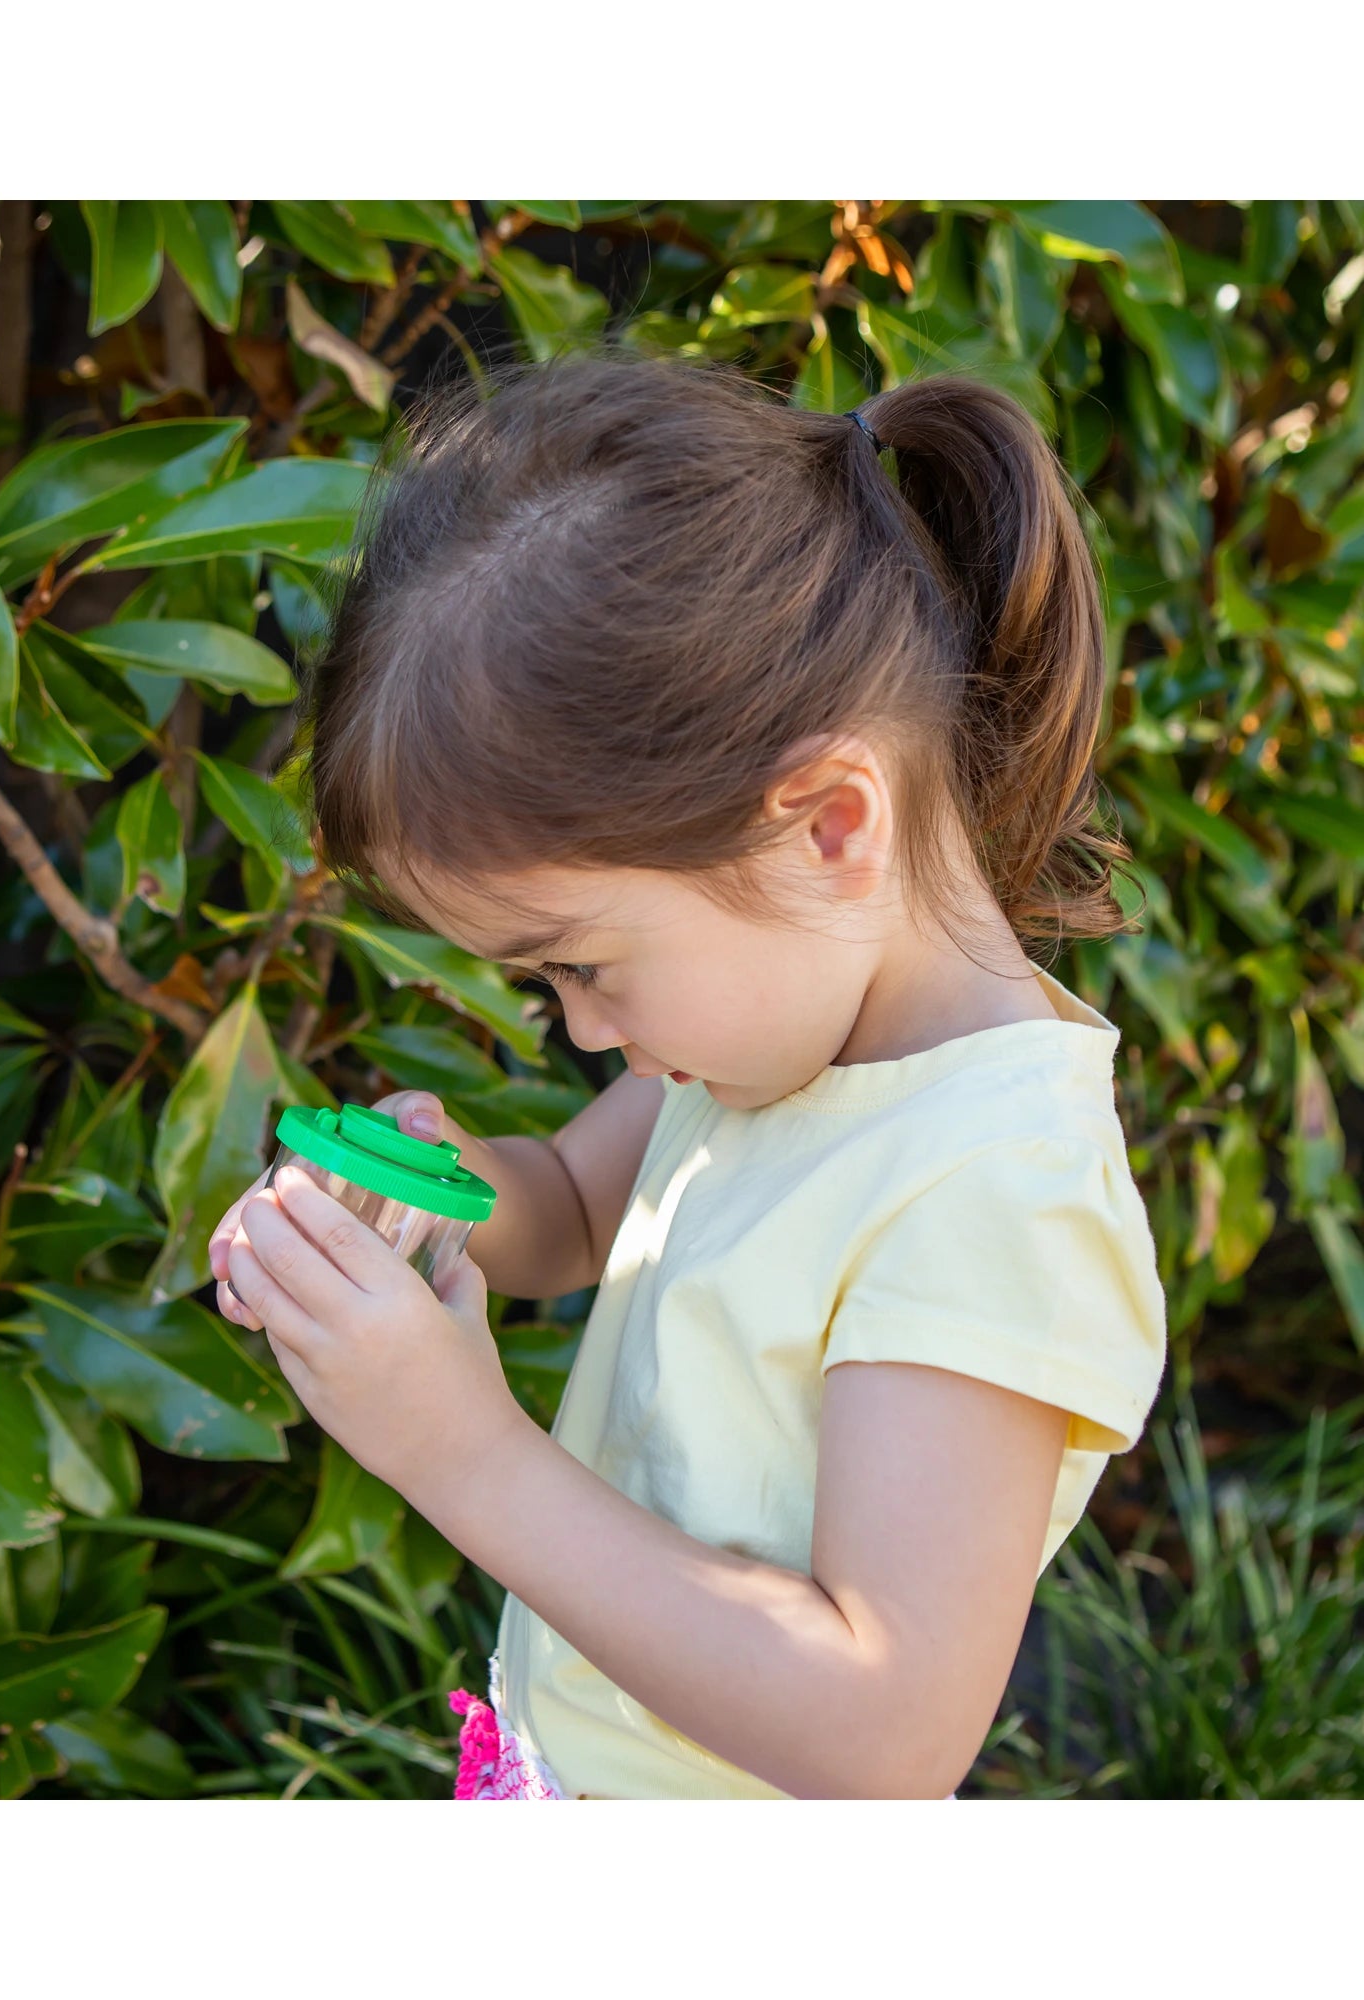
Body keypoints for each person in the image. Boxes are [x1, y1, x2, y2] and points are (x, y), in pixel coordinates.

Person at [208, 354, 1167, 1800]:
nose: (582, 1030)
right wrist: (419, 1204)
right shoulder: (771, 1038)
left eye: (583, 963)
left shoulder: (990, 1194)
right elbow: (572, 1211)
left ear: (828, 826)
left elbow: (885, 1736)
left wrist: (460, 1451)